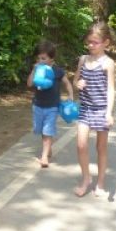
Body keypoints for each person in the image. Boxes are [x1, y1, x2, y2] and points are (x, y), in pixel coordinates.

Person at [72, 21, 116, 197]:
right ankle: (86, 178)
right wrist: (78, 83)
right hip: (85, 108)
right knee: (81, 145)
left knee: (101, 147)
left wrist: (109, 113)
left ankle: (101, 184)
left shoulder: (108, 63)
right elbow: (75, 81)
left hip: (101, 109)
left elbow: (111, 89)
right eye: (88, 42)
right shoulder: (83, 60)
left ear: (105, 42)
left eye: (94, 42)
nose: (90, 45)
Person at [27, 40, 74, 168]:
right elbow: (30, 84)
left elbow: (67, 83)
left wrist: (70, 95)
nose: (40, 60)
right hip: (38, 105)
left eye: (43, 58)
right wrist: (33, 70)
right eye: (39, 58)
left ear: (51, 59)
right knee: (42, 129)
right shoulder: (38, 70)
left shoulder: (57, 71)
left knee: (48, 130)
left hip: (52, 107)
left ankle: (44, 157)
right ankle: (47, 149)